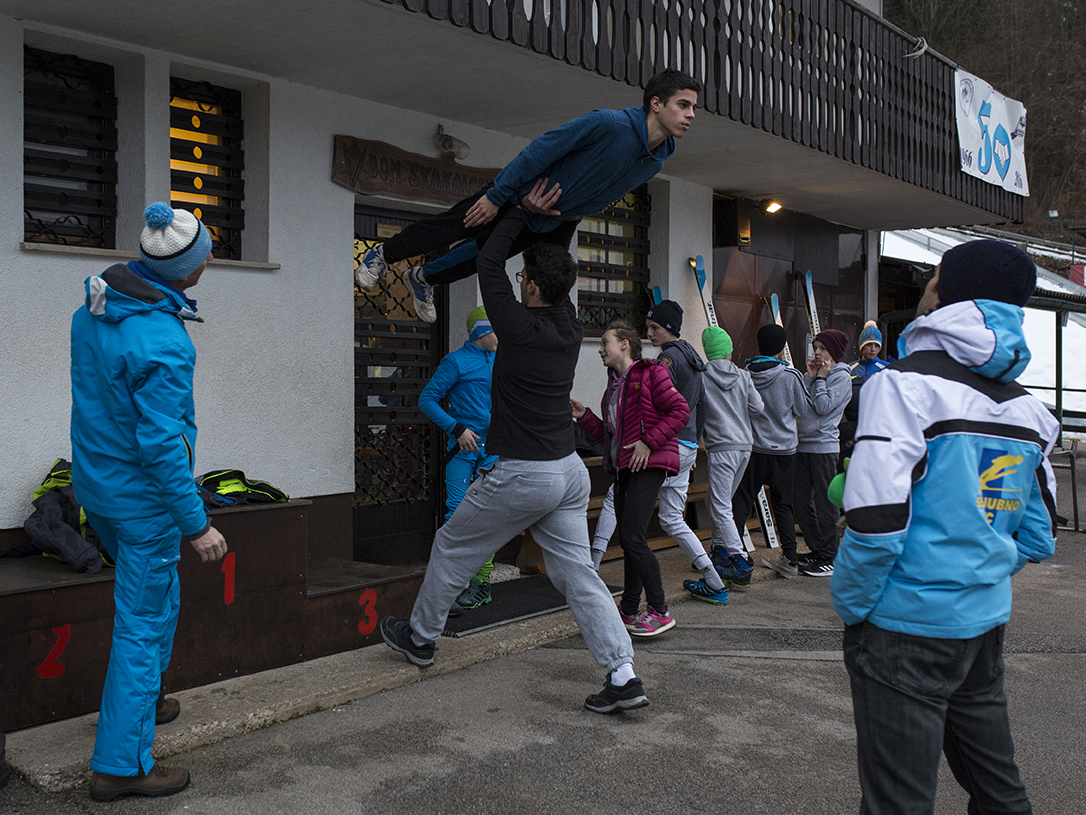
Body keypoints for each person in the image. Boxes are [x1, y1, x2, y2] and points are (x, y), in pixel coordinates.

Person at [381, 182, 649, 714]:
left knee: (452, 546)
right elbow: (549, 267)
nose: (520, 280)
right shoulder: (568, 325)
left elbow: (488, 262)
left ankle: (421, 638)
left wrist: (520, 212)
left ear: (529, 288)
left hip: (525, 474)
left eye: (525, 278)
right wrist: (562, 216)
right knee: (577, 574)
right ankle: (623, 674)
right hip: (568, 473)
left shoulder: (521, 326)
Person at [832, 239, 1058, 814]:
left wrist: (853, 604)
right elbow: (1038, 535)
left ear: (947, 292)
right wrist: (984, 564)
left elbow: (875, 521)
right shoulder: (1031, 411)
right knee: (999, 791)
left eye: (934, 277)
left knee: (898, 802)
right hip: (982, 627)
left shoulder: (901, 386)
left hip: (904, 626)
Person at [71, 203, 228, 801]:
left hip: (99, 488)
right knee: (141, 621)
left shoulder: (95, 309)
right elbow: (163, 444)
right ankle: (121, 766)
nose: (211, 257)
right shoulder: (163, 340)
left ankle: (144, 703)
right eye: (206, 252)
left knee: (155, 599)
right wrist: (196, 524)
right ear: (182, 267)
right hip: (145, 504)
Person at [354, 70, 702, 322]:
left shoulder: (656, 160)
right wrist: (497, 195)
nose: (690, 115)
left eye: (693, 108)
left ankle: (423, 277)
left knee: (490, 259)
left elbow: (608, 187)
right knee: (454, 227)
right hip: (518, 194)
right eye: (683, 105)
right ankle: (382, 255)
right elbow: (541, 150)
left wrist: (573, 215)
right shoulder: (609, 124)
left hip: (559, 219)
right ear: (656, 103)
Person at [589, 301, 728, 604]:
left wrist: (659, 443)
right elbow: (698, 406)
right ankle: (713, 578)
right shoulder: (693, 358)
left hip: (662, 445)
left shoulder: (663, 361)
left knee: (626, 521)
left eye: (655, 327)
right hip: (683, 444)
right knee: (668, 520)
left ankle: (596, 570)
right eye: (648, 327)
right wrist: (690, 445)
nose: (649, 333)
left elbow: (674, 408)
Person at [573, 321, 690, 634]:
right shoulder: (615, 384)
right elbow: (611, 437)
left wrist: (648, 442)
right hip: (626, 467)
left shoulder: (652, 372)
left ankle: (660, 610)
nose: (600, 350)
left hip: (648, 464)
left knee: (634, 538)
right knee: (629, 539)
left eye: (605, 343)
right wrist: (584, 416)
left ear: (625, 344)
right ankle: (628, 610)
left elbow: (680, 411)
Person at [419, 306, 499, 611]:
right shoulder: (455, 362)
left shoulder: (503, 361)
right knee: (456, 516)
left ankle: (481, 585)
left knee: (489, 516)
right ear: (480, 331)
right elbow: (426, 400)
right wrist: (458, 428)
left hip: (494, 451)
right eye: (494, 330)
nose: (499, 336)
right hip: (461, 451)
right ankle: (448, 587)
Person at [731, 324, 811, 579]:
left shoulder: (746, 374)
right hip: (784, 450)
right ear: (781, 347)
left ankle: (732, 553)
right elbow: (803, 409)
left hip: (754, 447)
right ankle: (790, 558)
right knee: (783, 504)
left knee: (741, 499)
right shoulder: (790, 375)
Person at [692, 326, 764, 593]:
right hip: (745, 445)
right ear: (729, 350)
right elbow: (758, 408)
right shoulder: (744, 376)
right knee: (718, 500)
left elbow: (697, 409)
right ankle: (721, 550)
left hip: (721, 446)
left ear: (708, 353)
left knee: (720, 503)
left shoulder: (702, 377)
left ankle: (740, 558)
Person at [794, 328, 852, 577]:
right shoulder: (818, 374)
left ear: (835, 353)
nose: (817, 353)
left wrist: (819, 379)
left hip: (823, 447)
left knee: (826, 502)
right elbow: (802, 404)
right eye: (816, 347)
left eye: (823, 349)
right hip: (802, 444)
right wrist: (810, 378)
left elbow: (823, 406)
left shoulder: (841, 377)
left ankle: (830, 555)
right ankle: (818, 549)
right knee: (799, 500)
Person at [839, 321, 890, 465]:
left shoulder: (888, 369)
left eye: (876, 345)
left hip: (878, 426)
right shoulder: (849, 369)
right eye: (868, 345)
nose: (872, 349)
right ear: (861, 346)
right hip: (852, 426)